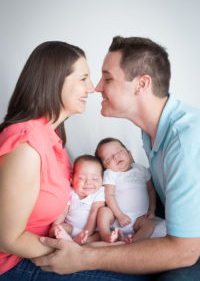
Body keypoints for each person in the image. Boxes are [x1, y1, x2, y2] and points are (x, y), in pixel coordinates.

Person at [32, 36, 200, 280]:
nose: (97, 87)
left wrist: (83, 257)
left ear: (141, 85)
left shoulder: (184, 140)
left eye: (107, 78)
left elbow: (186, 251)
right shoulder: (151, 130)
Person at [0, 41, 148, 281]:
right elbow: (7, 238)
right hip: (17, 261)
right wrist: (80, 254)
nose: (91, 88)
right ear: (55, 81)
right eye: (83, 78)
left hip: (60, 242)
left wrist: (93, 245)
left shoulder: (52, 136)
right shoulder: (26, 146)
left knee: (140, 263)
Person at [95, 137, 166, 243]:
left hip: (139, 218)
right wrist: (119, 215)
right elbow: (109, 195)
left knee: (150, 225)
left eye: (119, 151)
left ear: (129, 153)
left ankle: (134, 241)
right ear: (105, 167)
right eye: (109, 158)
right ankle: (105, 235)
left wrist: (151, 210)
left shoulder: (140, 169)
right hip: (115, 217)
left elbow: (151, 191)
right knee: (104, 212)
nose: (116, 156)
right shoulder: (111, 174)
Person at [50, 154, 105, 245]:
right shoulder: (70, 192)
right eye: (81, 178)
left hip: (91, 231)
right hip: (72, 228)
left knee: (101, 235)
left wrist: (86, 233)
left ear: (102, 180)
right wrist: (56, 225)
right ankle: (71, 240)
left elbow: (95, 212)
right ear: (72, 179)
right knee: (58, 229)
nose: (88, 182)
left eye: (95, 179)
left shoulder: (99, 192)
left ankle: (75, 242)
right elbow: (64, 211)